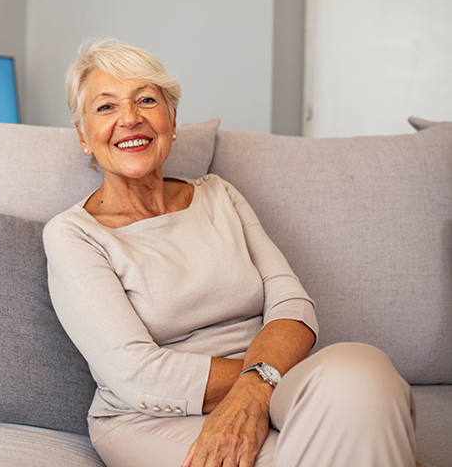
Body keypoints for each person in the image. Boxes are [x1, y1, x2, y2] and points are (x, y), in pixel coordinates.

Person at [43, 39, 417, 467]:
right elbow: (134, 373)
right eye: (106, 107)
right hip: (150, 414)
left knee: (363, 372)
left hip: (272, 380)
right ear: (83, 136)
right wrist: (258, 380)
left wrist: (256, 391)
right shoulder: (74, 234)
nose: (130, 118)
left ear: (171, 119)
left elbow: (291, 304)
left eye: (146, 100)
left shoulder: (219, 195)